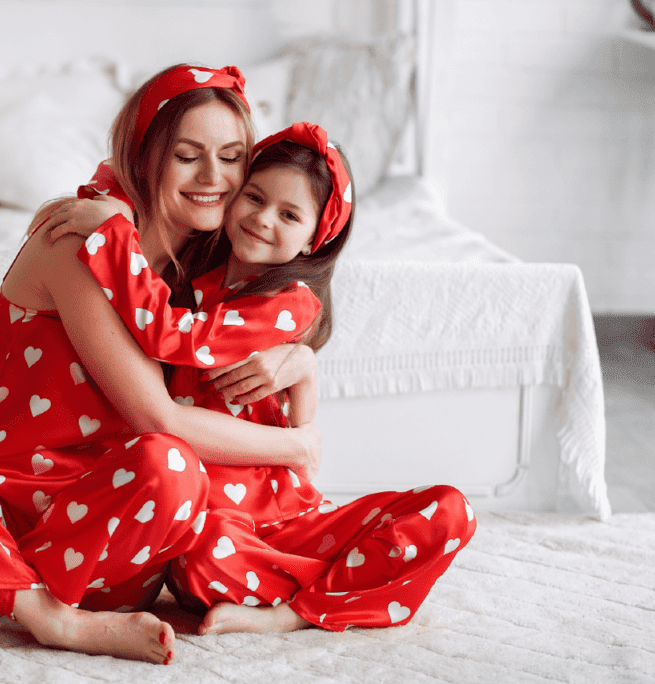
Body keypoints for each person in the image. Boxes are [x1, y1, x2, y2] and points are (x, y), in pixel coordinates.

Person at [0, 65, 321, 665]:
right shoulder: (78, 238)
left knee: (173, 469)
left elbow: (289, 306)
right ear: (143, 158)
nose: (213, 179)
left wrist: (301, 359)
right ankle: (42, 614)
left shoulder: (206, 258)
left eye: (232, 157)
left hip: (102, 551)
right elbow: (156, 413)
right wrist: (296, 449)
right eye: (188, 156)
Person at [63, 121, 478, 635]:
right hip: (216, 524)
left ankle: (293, 614)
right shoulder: (186, 278)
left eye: (288, 214)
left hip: (289, 515)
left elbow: (178, 340)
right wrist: (108, 206)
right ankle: (338, 584)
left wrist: (110, 239)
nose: (262, 219)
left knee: (448, 510)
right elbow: (141, 181)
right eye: (254, 198)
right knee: (197, 563)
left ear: (312, 240)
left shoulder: (290, 305)